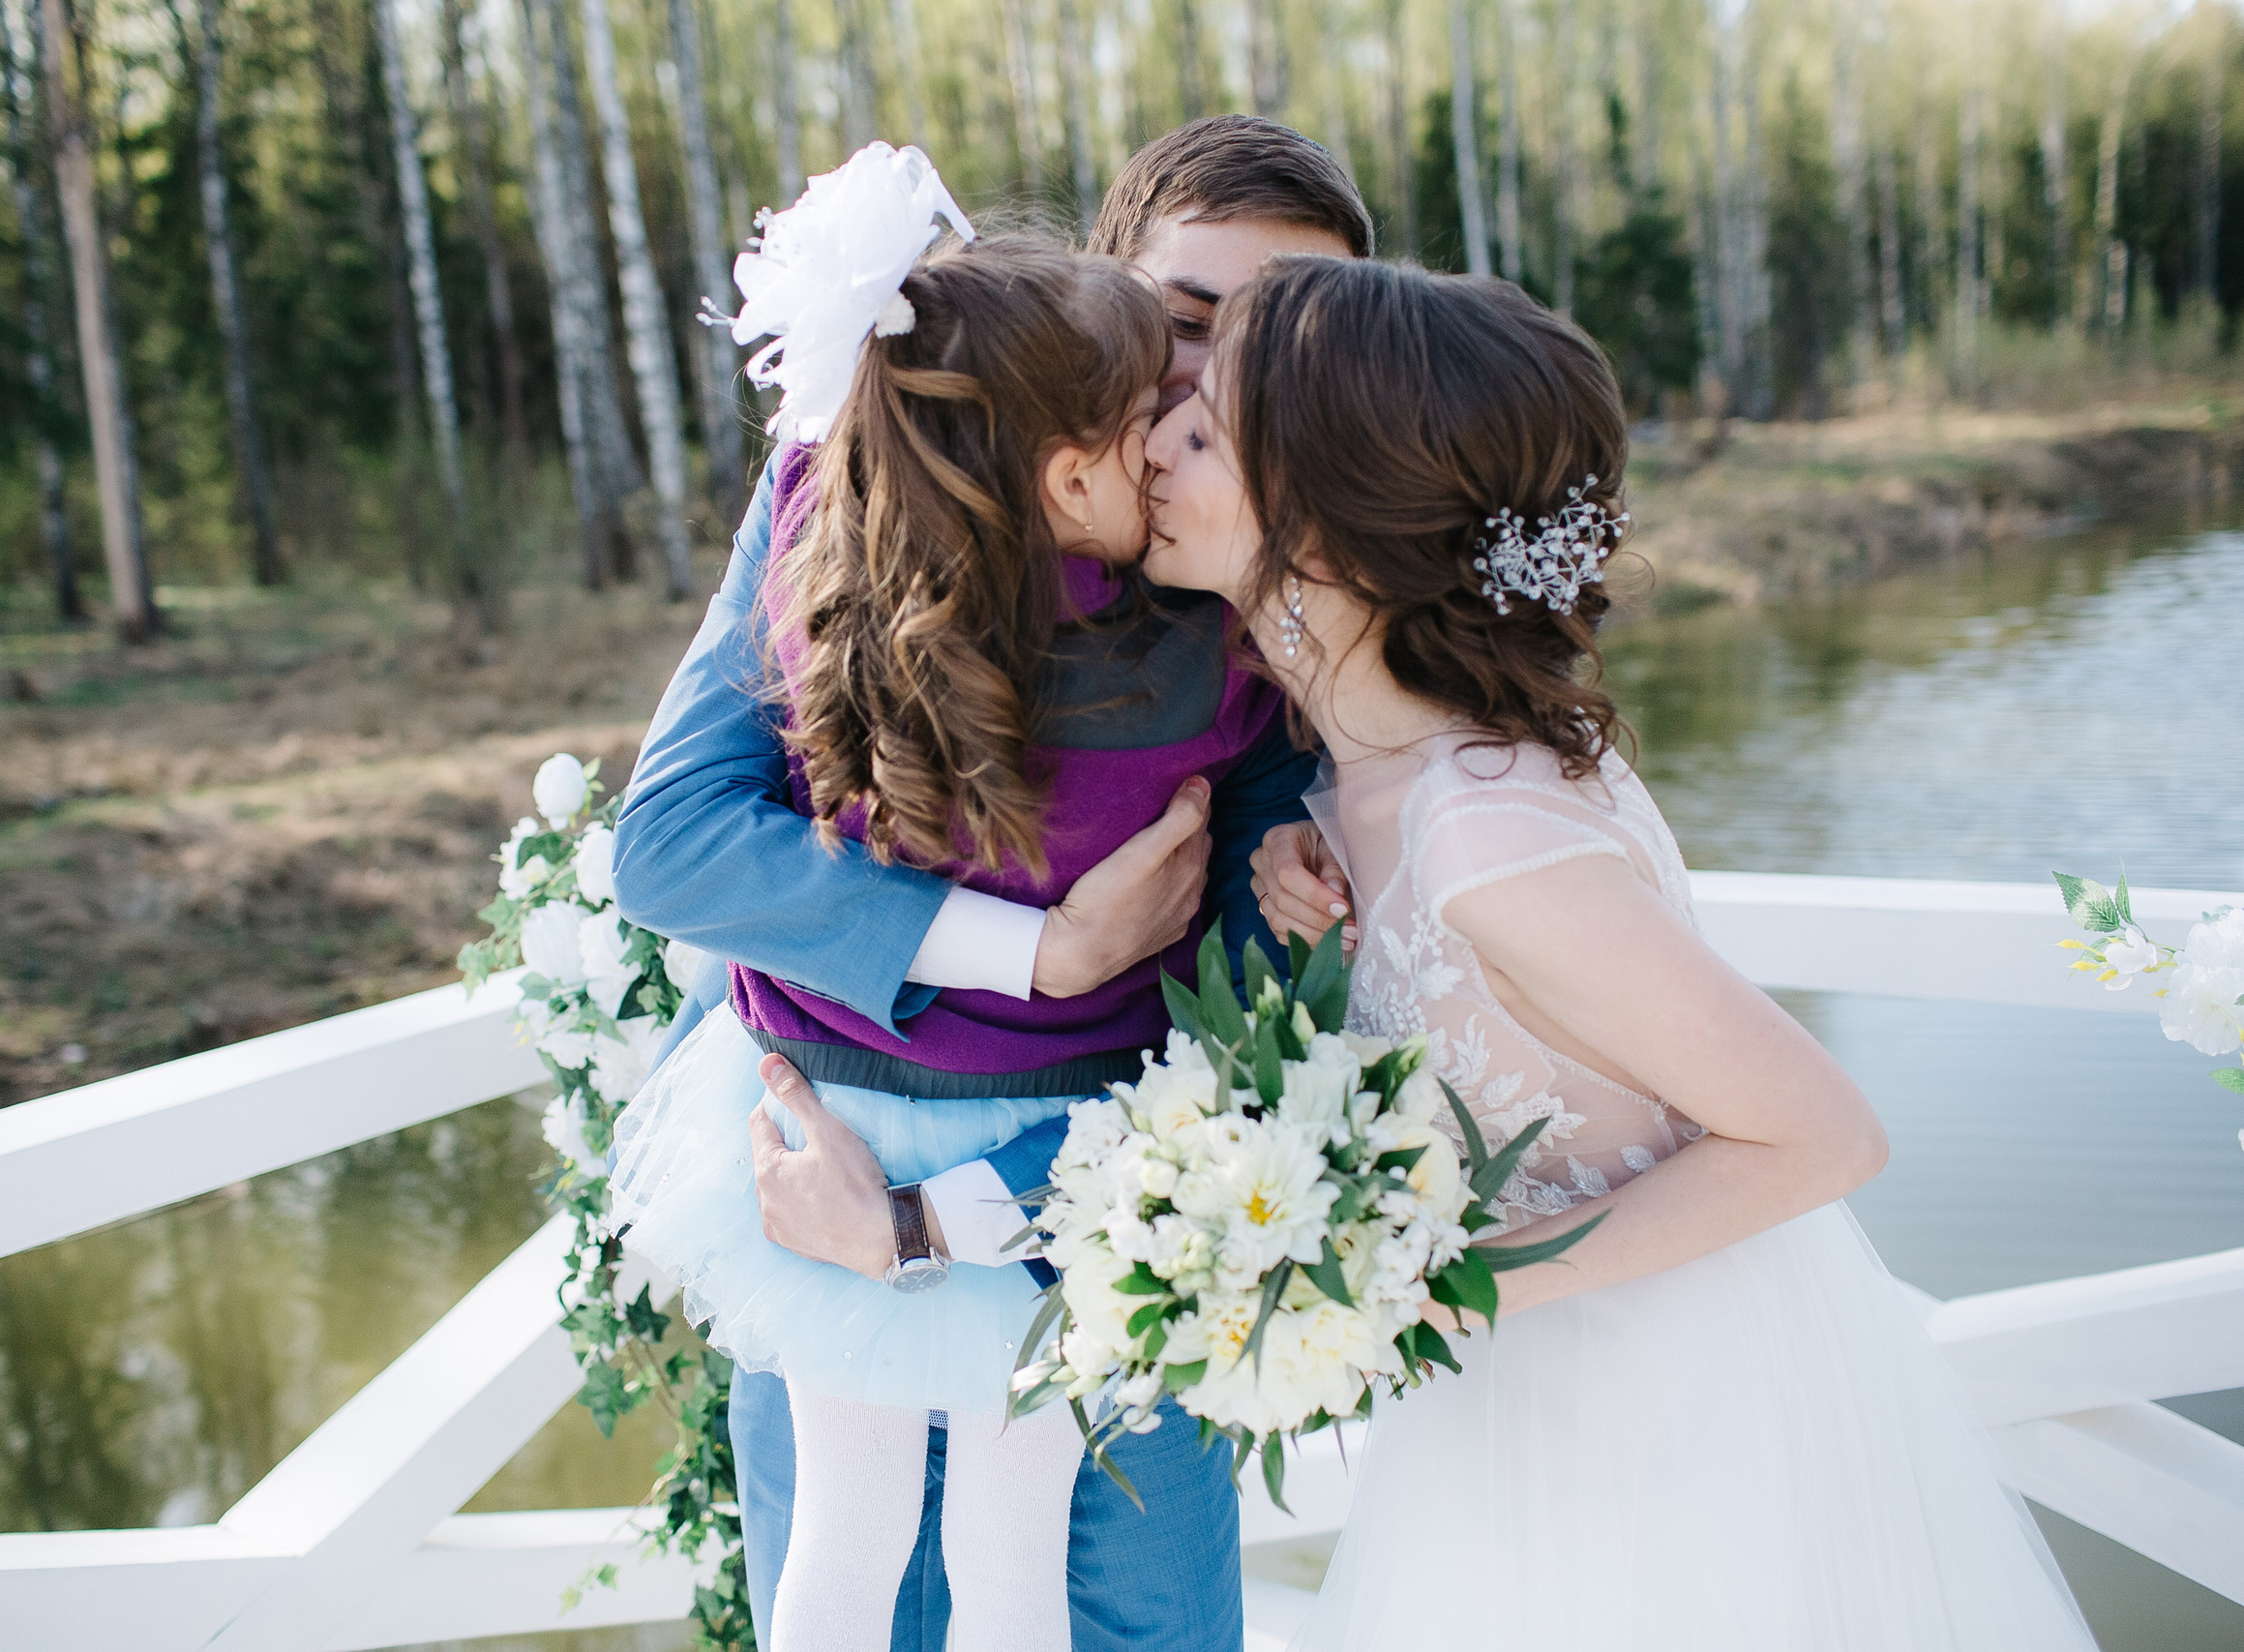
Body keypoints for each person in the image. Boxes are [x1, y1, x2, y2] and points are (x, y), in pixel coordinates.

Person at [1126, 255, 2098, 1648]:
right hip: (1517, 1413)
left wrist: (1440, 1283)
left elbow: (1822, 1135)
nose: (1155, 440)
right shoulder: (1363, 783)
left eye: (1205, 432)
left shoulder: (1485, 837)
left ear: (1330, 532)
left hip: (1671, 1429)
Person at [612, 115, 1371, 1652]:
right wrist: (1037, 946)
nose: (1208, 390)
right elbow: (675, 840)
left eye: (1286, 346)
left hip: (1099, 1241)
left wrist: (938, 1217)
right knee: (847, 1583)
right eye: (1185, 326)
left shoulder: (1281, 578)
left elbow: (1252, 1022)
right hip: (821, 1178)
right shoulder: (854, 474)